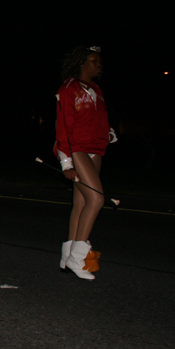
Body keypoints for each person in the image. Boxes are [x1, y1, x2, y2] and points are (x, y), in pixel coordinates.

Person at [54, 45, 117, 280]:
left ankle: (67, 255)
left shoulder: (97, 90)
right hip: (77, 149)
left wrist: (108, 134)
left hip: (96, 150)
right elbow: (63, 128)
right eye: (93, 60)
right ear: (81, 62)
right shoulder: (68, 89)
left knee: (81, 202)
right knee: (97, 199)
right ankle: (78, 257)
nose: (98, 64)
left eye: (100, 61)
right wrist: (66, 163)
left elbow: (99, 120)